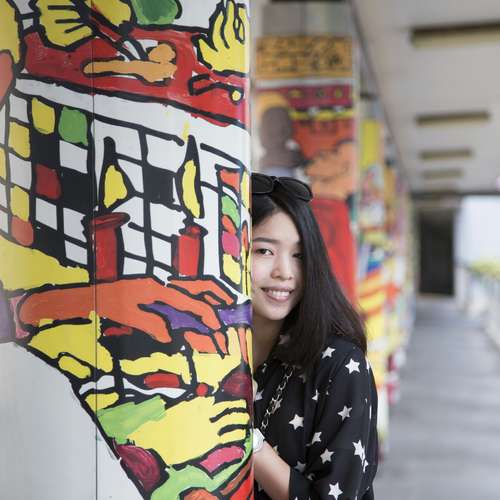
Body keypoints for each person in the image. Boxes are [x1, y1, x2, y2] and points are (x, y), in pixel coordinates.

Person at [250, 172, 378, 500]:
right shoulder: (203, 352)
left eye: (299, 255)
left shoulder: (339, 365)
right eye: (263, 251)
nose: (284, 272)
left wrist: (248, 440)